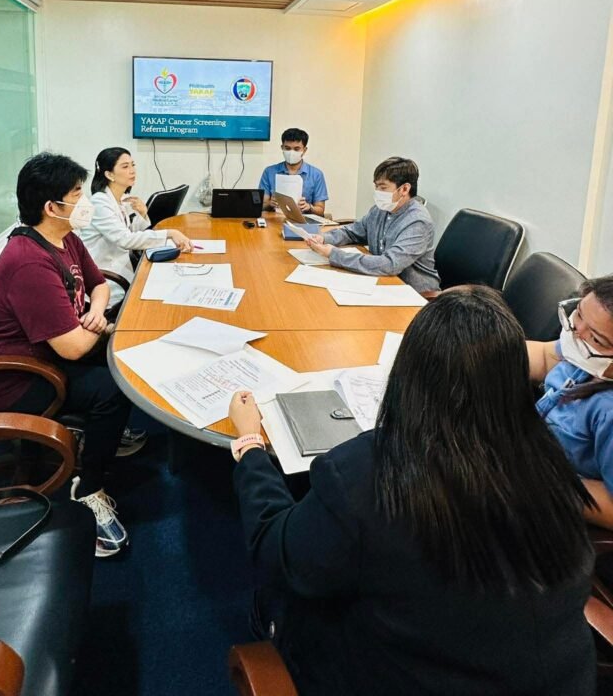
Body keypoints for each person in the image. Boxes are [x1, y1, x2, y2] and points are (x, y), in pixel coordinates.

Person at [229, 287, 595, 696]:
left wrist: (251, 446)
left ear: (407, 372)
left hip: (404, 674)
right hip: (557, 679)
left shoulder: (366, 474)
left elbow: (274, 551)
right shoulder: (550, 459)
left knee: (282, 597)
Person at [0, 151, 140, 557]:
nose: (85, 202)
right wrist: (96, 326)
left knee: (123, 358)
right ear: (52, 206)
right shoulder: (29, 260)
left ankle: (104, 435)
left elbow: (99, 285)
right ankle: (89, 490)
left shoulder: (65, 238)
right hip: (16, 378)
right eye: (78, 194)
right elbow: (74, 347)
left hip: (51, 352)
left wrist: (95, 314)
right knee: (113, 388)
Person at [529, 274, 613, 529]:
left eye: (596, 339)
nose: (576, 335)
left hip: (553, 506)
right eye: (578, 315)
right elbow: (546, 356)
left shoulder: (607, 409)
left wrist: (538, 483)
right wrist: (470, 352)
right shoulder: (587, 354)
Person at [78, 147, 193, 308]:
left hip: (123, 268)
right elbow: (125, 240)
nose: (132, 171)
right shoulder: (100, 202)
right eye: (125, 167)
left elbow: (137, 232)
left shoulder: (123, 198)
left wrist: (143, 213)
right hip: (106, 278)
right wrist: (170, 233)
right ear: (109, 174)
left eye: (133, 165)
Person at [305, 155, 439, 293]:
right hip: (381, 281)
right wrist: (324, 238)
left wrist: (334, 254)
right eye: (376, 186)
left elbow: (389, 264)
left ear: (404, 189)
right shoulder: (380, 210)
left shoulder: (418, 221)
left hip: (414, 293)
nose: (377, 192)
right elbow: (353, 232)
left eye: (383, 187)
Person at [259, 127, 328, 216]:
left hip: (303, 220)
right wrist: (270, 203)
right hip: (276, 219)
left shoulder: (316, 174)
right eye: (287, 148)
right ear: (282, 148)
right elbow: (262, 205)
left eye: (296, 149)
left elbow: (320, 209)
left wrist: (309, 207)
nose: (291, 152)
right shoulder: (269, 172)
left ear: (304, 150)